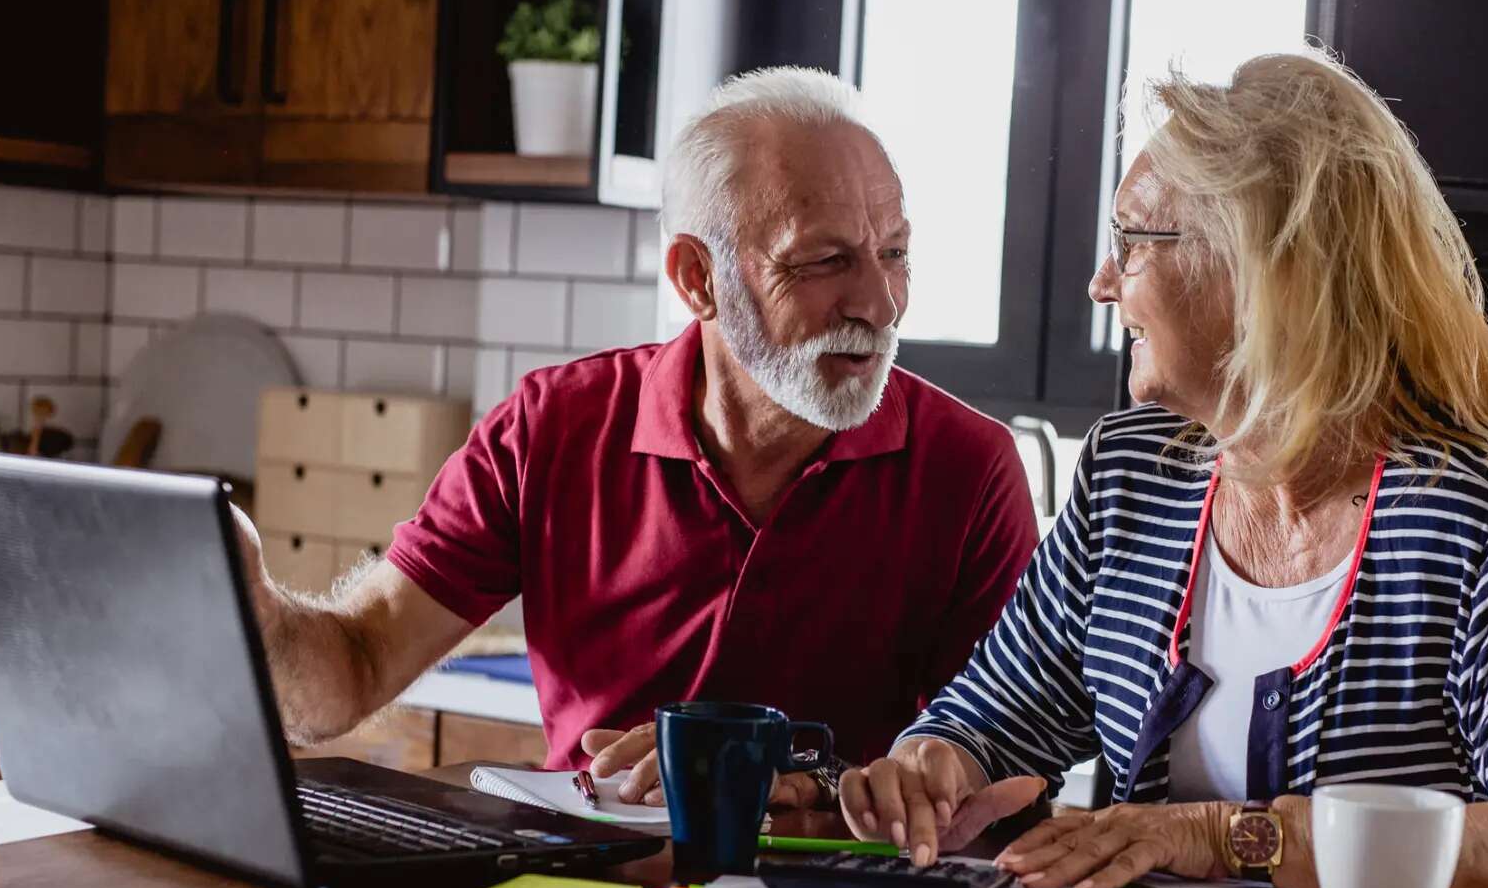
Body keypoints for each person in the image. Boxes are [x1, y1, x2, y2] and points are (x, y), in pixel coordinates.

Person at [839, 50, 1488, 888]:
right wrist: (933, 764)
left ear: (1262, 268)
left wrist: (1230, 837)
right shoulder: (1133, 472)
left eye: (1133, 242)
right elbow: (995, 718)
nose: (1101, 283)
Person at [235, 67, 1038, 810]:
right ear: (697, 278)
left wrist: (807, 781)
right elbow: (358, 664)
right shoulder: (552, 426)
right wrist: (256, 611)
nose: (881, 303)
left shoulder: (969, 467)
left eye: (894, 253)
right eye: (826, 261)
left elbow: (1008, 765)